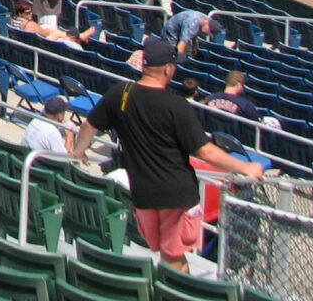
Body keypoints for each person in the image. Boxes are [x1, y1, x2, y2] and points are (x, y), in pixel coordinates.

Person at [71, 37, 265, 274]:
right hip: (175, 196)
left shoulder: (121, 93)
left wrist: (78, 152)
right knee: (173, 259)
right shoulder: (176, 105)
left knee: (169, 256)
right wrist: (244, 168)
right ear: (167, 69)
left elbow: (90, 125)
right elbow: (205, 151)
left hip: (143, 194)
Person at [9, 0, 94, 46]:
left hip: (24, 46)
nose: (31, 14)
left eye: (31, 12)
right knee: (56, 34)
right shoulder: (28, 24)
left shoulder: (12, 21)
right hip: (39, 47)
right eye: (28, 13)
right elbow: (46, 34)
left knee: (50, 29)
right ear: (20, 13)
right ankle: (78, 37)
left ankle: (75, 37)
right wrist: (50, 31)